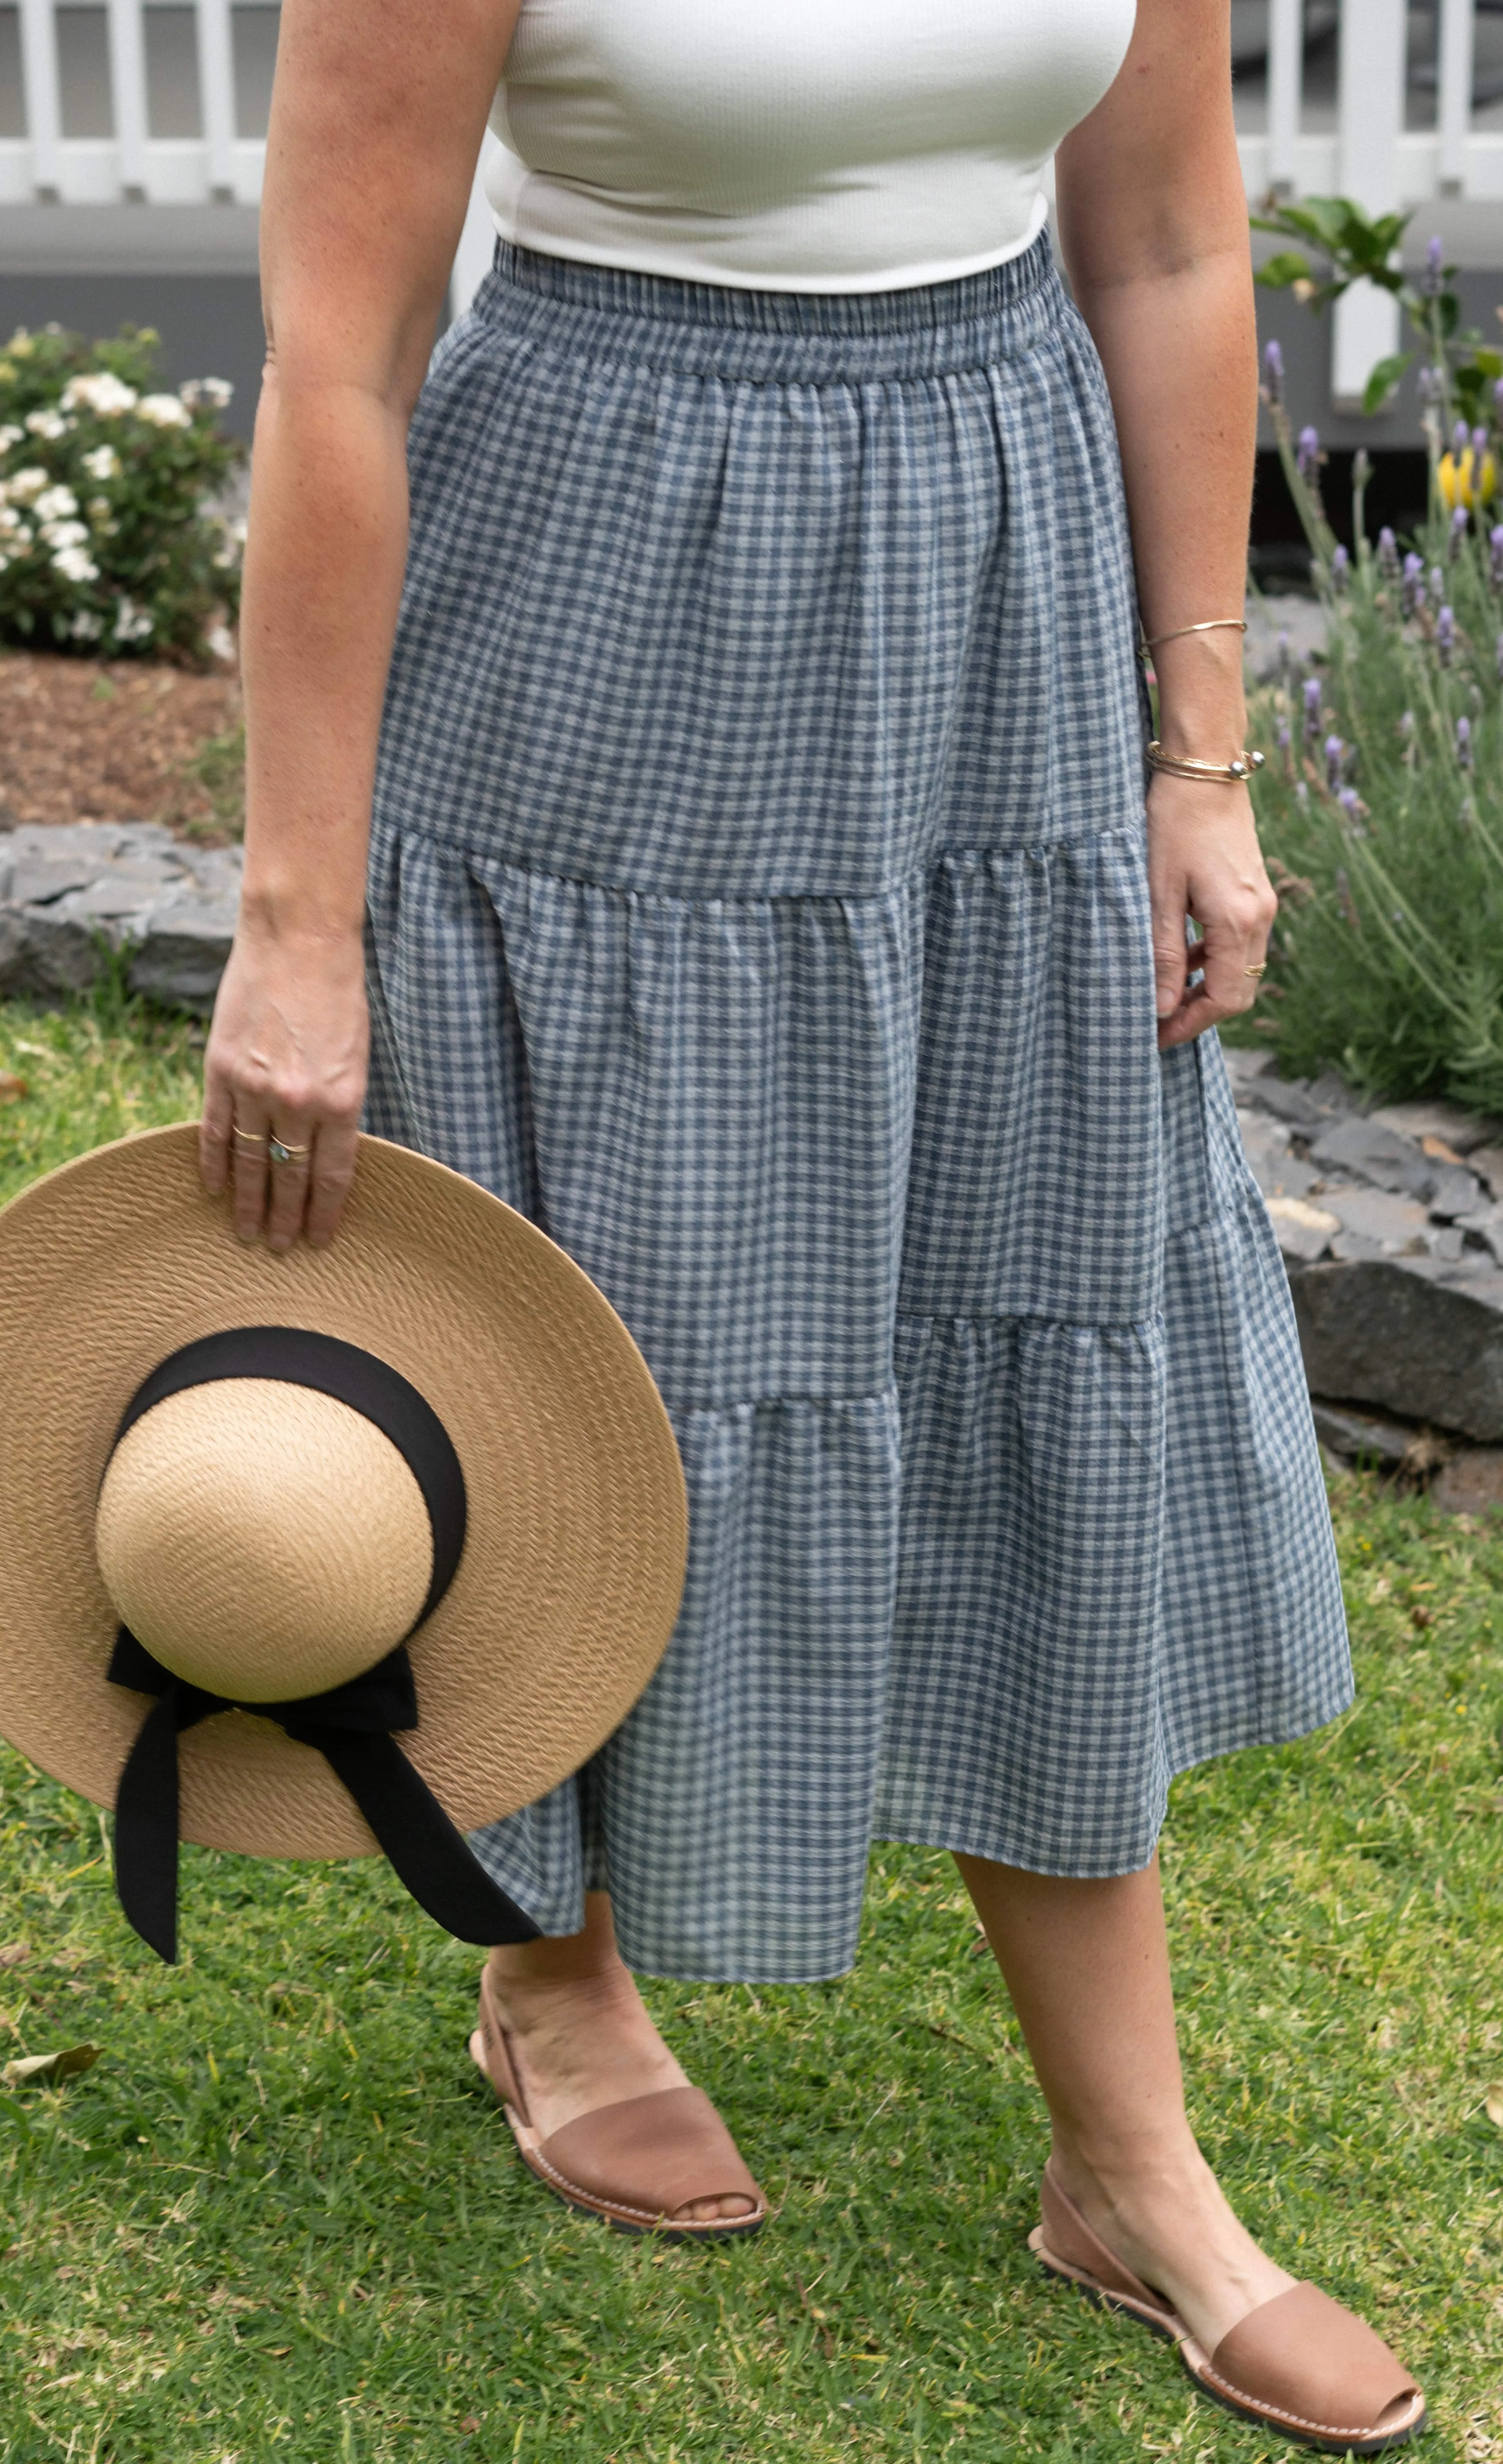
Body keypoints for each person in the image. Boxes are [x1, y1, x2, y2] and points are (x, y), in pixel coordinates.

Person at [199, 0, 1423, 2441]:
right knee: (595, 1311)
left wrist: (1200, 757)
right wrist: (299, 916)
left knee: (1024, 1282)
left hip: (991, 566)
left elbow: (1172, 243)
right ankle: (553, 1970)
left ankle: (1134, 2168)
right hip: (606, 566)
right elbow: (341, 360)